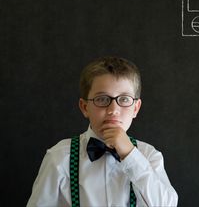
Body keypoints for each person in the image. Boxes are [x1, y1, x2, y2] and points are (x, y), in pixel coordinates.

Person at [27, 56, 178, 207]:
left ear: (136, 108)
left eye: (124, 99)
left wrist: (131, 156)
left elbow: (167, 204)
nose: (113, 110)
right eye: (102, 99)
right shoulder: (59, 157)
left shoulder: (149, 156)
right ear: (85, 107)